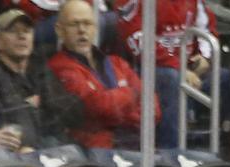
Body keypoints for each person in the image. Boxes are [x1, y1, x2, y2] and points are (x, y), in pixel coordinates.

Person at [49, 0, 158, 149]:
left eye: (87, 24)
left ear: (95, 28)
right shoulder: (58, 66)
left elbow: (153, 110)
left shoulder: (117, 63)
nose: (82, 30)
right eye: (74, 24)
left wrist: (114, 110)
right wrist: (132, 94)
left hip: (135, 149)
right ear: (59, 30)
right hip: (96, 156)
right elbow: (97, 107)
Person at [114, 0, 223, 149]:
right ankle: (171, 153)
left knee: (225, 78)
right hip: (144, 68)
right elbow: (138, 40)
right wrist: (179, 68)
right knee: (172, 79)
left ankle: (222, 150)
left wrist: (205, 57)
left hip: (187, 67)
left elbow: (207, 29)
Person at [0, 8, 83, 152]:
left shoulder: (40, 69)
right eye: (12, 31)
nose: (22, 36)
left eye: (27, 30)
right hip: (10, 160)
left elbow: (72, 114)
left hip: (52, 152)